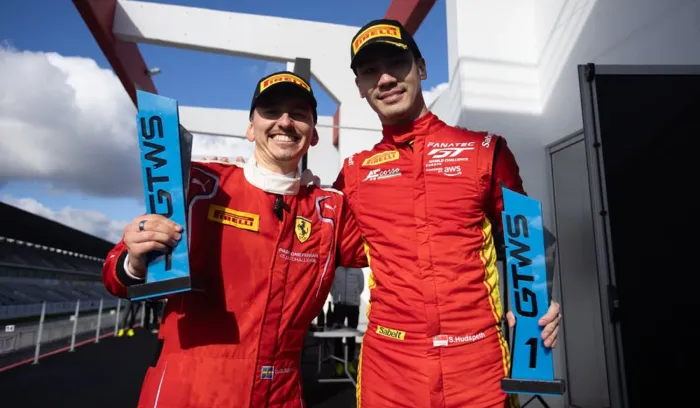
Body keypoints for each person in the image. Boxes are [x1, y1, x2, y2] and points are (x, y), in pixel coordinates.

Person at [330, 19, 563, 407]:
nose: (385, 79)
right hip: (389, 372)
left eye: (397, 63)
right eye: (370, 71)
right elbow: (327, 248)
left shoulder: (485, 150)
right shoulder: (353, 173)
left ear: (421, 68)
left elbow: (529, 238)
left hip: (477, 367)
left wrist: (541, 307)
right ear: (360, 87)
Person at [101, 71, 367, 408]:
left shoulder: (329, 211)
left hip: (281, 394)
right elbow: (116, 276)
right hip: (187, 390)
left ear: (313, 134)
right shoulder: (201, 185)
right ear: (250, 128)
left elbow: (395, 246)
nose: (285, 122)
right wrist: (136, 258)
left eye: (299, 113)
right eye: (271, 111)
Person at [329, 266, 364, 376]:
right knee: (337, 335)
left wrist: (353, 297)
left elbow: (361, 286)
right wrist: (336, 297)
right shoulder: (337, 269)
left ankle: (349, 362)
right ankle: (338, 363)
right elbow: (331, 286)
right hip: (339, 306)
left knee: (352, 335)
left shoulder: (358, 269)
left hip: (353, 306)